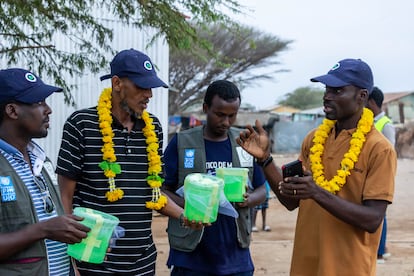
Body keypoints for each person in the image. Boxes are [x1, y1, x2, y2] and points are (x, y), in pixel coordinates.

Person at [237, 58, 397, 275]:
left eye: (337, 90)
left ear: (362, 96)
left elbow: (372, 219)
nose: (327, 96)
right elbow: (291, 200)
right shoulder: (314, 140)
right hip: (306, 265)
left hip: (349, 268)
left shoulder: (379, 149)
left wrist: (317, 192)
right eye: (327, 89)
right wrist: (265, 160)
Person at [56, 49, 188, 275]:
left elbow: (154, 193)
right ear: (117, 83)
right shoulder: (81, 124)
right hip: (93, 261)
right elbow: (64, 197)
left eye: (151, 88)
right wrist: (70, 260)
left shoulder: (153, 128)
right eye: (141, 87)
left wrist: (185, 217)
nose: (149, 94)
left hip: (142, 261)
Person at [162, 79, 267, 276]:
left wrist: (249, 199)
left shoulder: (244, 143)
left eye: (232, 116)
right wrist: (190, 205)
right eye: (219, 115)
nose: (226, 122)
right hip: (191, 256)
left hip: (235, 256)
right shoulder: (182, 143)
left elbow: (262, 188)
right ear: (205, 108)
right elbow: (161, 190)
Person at [0, 68, 90, 275]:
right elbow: (46, 227)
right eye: (39, 102)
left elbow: (52, 221)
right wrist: (44, 230)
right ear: (12, 111)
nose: (48, 109)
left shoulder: (41, 160)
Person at [367, 86, 396, 263]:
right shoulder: (367, 121)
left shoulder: (386, 124)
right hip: (368, 174)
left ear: (370, 102)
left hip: (380, 174)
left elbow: (389, 151)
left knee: (380, 214)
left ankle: (380, 251)